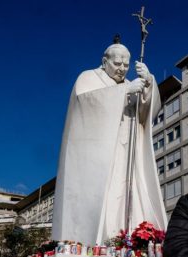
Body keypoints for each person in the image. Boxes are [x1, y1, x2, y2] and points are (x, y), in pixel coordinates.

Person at [52, 37, 167, 245]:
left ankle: (128, 236)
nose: (122, 69)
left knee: (125, 194)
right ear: (104, 61)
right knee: (106, 196)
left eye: (126, 65)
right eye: (117, 64)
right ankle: (104, 237)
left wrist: (148, 84)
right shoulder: (88, 78)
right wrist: (124, 92)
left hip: (127, 152)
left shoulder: (131, 84)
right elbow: (84, 104)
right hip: (101, 154)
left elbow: (147, 113)